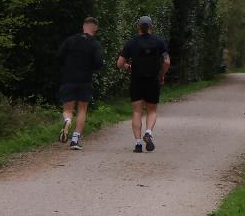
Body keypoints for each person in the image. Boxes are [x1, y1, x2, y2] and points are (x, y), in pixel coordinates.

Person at [116, 15, 170, 153]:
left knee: (137, 111)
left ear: (138, 27)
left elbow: (120, 63)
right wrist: (161, 75)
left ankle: (138, 144)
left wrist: (129, 67)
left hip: (136, 80)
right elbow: (167, 61)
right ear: (151, 27)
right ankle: (148, 133)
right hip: (153, 80)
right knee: (151, 110)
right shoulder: (159, 42)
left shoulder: (131, 43)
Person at [55, 16, 103, 150]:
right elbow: (99, 63)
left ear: (83, 26)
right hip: (85, 80)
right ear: (95, 29)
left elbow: (59, 56)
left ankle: (67, 120)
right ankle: (75, 140)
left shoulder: (70, 40)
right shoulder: (95, 44)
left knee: (68, 109)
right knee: (82, 109)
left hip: (68, 78)